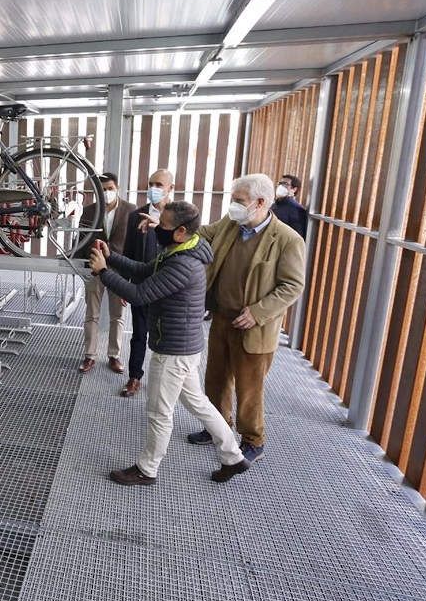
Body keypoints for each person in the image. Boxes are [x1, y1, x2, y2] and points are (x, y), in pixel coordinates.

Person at [89, 201, 250, 485]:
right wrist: (111, 256)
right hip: (184, 347)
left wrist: (103, 272)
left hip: (174, 351)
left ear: (181, 231)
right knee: (199, 403)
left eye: (161, 226)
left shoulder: (183, 264)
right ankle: (233, 456)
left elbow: (139, 294)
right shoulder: (180, 250)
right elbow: (142, 270)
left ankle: (147, 469)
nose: (154, 230)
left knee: (158, 412)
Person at [187, 174, 306, 464]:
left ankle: (253, 439)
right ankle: (218, 426)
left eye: (239, 201)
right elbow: (202, 233)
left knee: (249, 387)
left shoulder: (288, 240)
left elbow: (292, 286)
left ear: (261, 203)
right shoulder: (231, 224)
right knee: (216, 378)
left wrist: (258, 312)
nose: (233, 206)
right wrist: (173, 229)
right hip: (222, 317)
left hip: (255, 327)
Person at [119, 169, 174, 397]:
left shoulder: (178, 216)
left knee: (166, 339)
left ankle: (165, 384)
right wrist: (123, 284)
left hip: (168, 290)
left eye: (159, 184)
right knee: (139, 334)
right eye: (151, 183)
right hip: (141, 287)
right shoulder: (136, 215)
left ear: (171, 187)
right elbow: (128, 252)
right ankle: (134, 377)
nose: (154, 188)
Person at [77, 173, 137, 373]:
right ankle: (89, 356)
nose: (106, 193)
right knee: (91, 314)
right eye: (102, 189)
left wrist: (129, 277)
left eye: (110, 188)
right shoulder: (88, 211)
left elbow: (133, 246)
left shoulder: (130, 210)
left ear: (117, 188)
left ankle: (114, 355)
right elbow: (81, 239)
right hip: (94, 269)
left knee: (117, 315)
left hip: (118, 272)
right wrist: (80, 267)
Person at [272, 174, 309, 238]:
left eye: (285, 184)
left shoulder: (297, 210)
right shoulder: (274, 204)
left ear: (294, 189)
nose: (281, 186)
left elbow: (297, 236)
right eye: (280, 183)